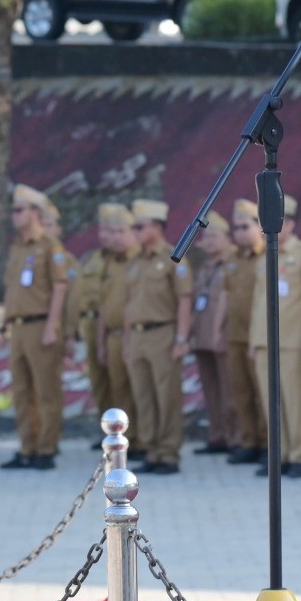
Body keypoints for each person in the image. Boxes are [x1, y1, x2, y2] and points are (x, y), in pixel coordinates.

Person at [248, 194, 301, 479]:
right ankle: (278, 456)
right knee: (271, 402)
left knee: (293, 400)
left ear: (289, 223)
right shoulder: (264, 253)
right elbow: (258, 302)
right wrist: (255, 340)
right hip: (266, 340)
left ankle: (299, 457)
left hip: (292, 339)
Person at [0, 185, 71, 471]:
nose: (14, 216)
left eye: (19, 210)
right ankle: (27, 446)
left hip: (40, 324)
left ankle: (46, 447)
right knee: (21, 391)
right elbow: (10, 288)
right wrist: (2, 324)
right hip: (18, 326)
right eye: (14, 210)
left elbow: (60, 288)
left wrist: (52, 326)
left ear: (36, 213)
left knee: (46, 390)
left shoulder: (50, 247)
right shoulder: (17, 247)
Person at [122, 199, 192, 475]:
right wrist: (127, 340)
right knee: (144, 396)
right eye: (134, 227)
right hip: (138, 335)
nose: (136, 231)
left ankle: (168, 452)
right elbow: (128, 305)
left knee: (167, 396)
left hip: (163, 332)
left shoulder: (174, 256)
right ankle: (151, 449)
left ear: (158, 227)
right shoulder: (135, 261)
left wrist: (182, 338)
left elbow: (184, 300)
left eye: (140, 226)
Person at [95, 205, 146, 461]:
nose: (114, 237)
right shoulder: (110, 262)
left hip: (135, 336)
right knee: (119, 392)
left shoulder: (140, 261)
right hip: (113, 336)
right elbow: (104, 304)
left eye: (120, 231)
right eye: (110, 231)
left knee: (140, 392)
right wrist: (101, 341)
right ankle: (126, 439)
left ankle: (142, 439)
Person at [69, 205, 120, 448]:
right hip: (89, 322)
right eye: (104, 230)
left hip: (112, 323)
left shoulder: (124, 260)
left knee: (119, 380)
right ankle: (107, 429)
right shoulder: (92, 258)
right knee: (98, 380)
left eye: (112, 230)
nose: (106, 236)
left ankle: (126, 430)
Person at [224, 198, 269, 466]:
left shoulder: (269, 257)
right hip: (235, 335)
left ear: (259, 227)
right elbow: (225, 296)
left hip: (259, 335)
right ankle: (249, 440)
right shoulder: (233, 260)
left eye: (245, 227)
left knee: (262, 391)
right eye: (236, 228)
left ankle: (267, 443)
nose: (239, 232)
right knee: (240, 392)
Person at [190, 211, 237, 455]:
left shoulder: (234, 263)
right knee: (211, 390)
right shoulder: (206, 266)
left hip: (225, 337)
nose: (209, 241)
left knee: (230, 391)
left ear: (228, 238)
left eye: (215, 236)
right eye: (206, 237)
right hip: (203, 337)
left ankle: (235, 438)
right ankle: (217, 436)